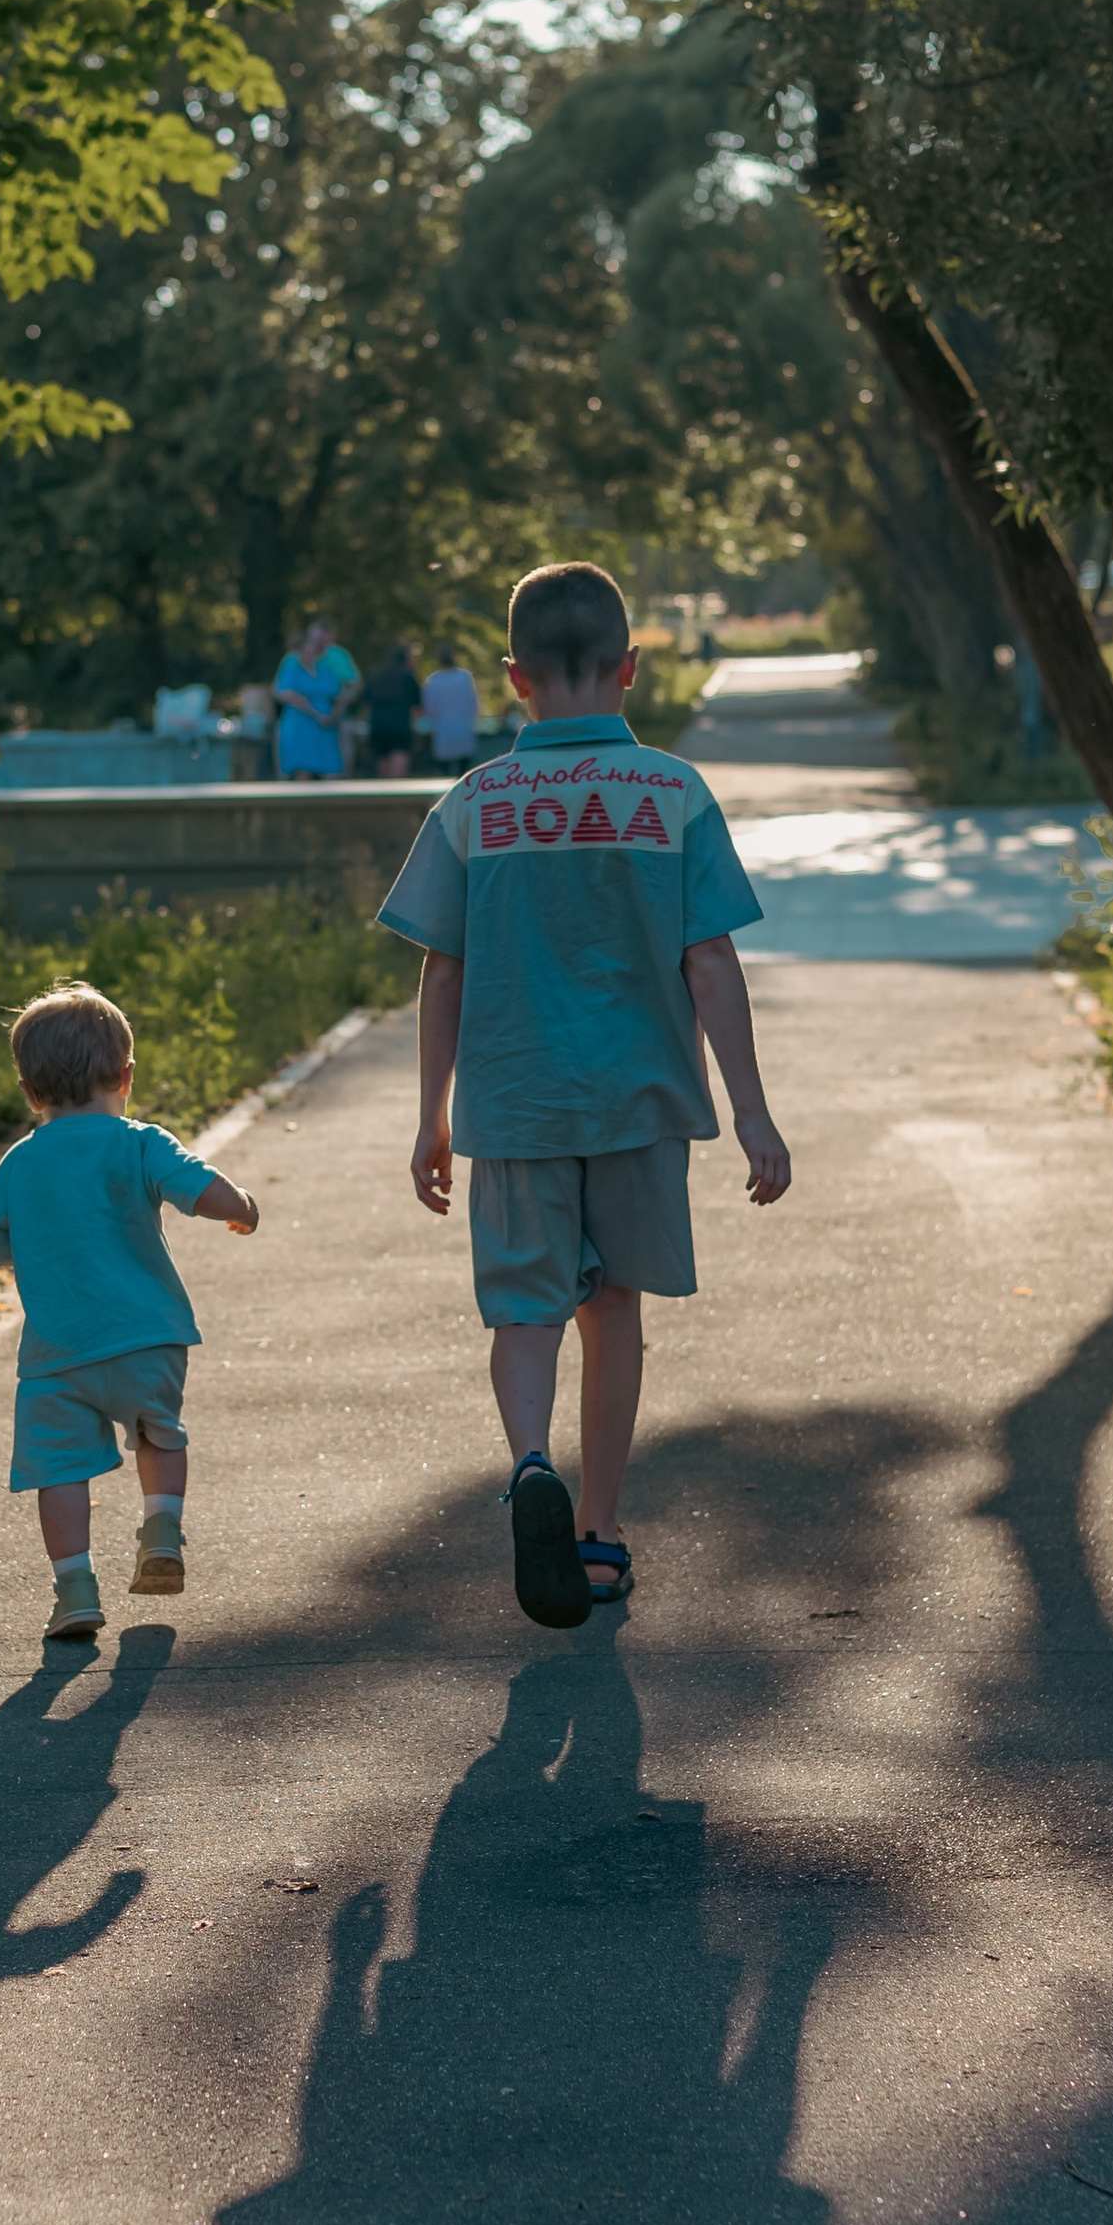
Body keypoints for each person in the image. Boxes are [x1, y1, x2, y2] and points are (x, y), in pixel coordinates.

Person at [377, 560, 789, 1626]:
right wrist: (750, 1110)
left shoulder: (473, 803)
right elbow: (709, 962)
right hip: (640, 1104)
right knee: (614, 1313)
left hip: (513, 1106)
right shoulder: (674, 793)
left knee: (525, 1311)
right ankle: (598, 1535)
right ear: (629, 670)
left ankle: (527, 1470)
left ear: (515, 680)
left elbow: (441, 969)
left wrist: (431, 1113)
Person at [0, 982, 260, 1644]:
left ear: (28, 1091)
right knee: (159, 1431)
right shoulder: (139, 1142)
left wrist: (37, 1237)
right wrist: (243, 1206)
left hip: (57, 1356)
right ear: (125, 1076)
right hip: (146, 1338)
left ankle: (75, 1590)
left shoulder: (20, 1162)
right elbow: (203, 1190)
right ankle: (161, 1528)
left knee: (60, 1471)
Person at [272, 617, 358, 780]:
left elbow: (344, 690)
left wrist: (334, 714)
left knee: (333, 772)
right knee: (302, 774)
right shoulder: (291, 663)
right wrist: (317, 714)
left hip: (326, 727)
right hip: (301, 725)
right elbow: (283, 692)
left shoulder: (325, 667)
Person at [364, 638, 421, 777]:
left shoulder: (376, 677)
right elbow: (417, 708)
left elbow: (366, 704)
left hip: (378, 729)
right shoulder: (408, 679)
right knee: (397, 778)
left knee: (382, 775)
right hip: (399, 730)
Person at [419, 651, 482, 773]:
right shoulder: (465, 678)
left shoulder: (433, 680)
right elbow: (474, 703)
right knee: (464, 771)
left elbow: (429, 709)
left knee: (445, 770)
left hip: (443, 730)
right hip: (464, 729)